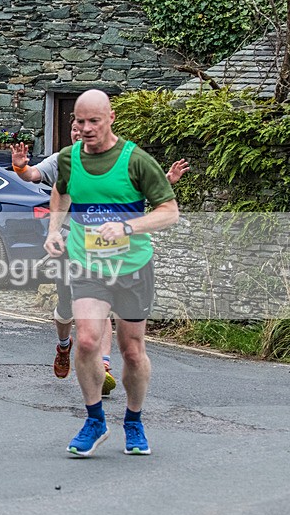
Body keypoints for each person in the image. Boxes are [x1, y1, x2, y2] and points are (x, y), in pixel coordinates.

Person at [44, 89, 179, 457]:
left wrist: (129, 227)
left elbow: (169, 211)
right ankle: (94, 419)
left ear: (110, 119)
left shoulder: (136, 160)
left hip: (132, 266)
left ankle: (133, 421)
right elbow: (61, 192)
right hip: (88, 264)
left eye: (93, 121)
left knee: (132, 351)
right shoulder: (69, 158)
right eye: (79, 121)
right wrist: (55, 230)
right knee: (87, 340)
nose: (85, 128)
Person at [13, 123, 188, 396]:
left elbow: (134, 190)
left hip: (99, 247)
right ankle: (63, 346)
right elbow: (33, 174)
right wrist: (21, 168)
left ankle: (103, 366)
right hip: (68, 243)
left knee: (100, 306)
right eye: (73, 128)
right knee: (66, 309)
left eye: (83, 127)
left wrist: (165, 180)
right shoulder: (63, 160)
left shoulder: (113, 161)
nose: (78, 133)